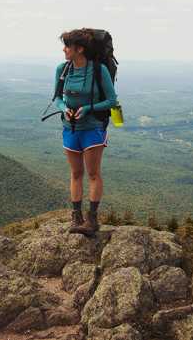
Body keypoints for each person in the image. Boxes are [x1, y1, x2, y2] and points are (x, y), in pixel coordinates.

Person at [53, 28, 118, 236]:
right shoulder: (62, 69)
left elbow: (111, 101)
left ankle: (92, 219)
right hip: (70, 127)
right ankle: (76, 217)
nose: (64, 50)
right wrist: (65, 109)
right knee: (75, 173)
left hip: (93, 128)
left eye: (67, 46)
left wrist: (88, 109)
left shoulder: (99, 70)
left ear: (79, 49)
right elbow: (57, 99)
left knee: (92, 173)